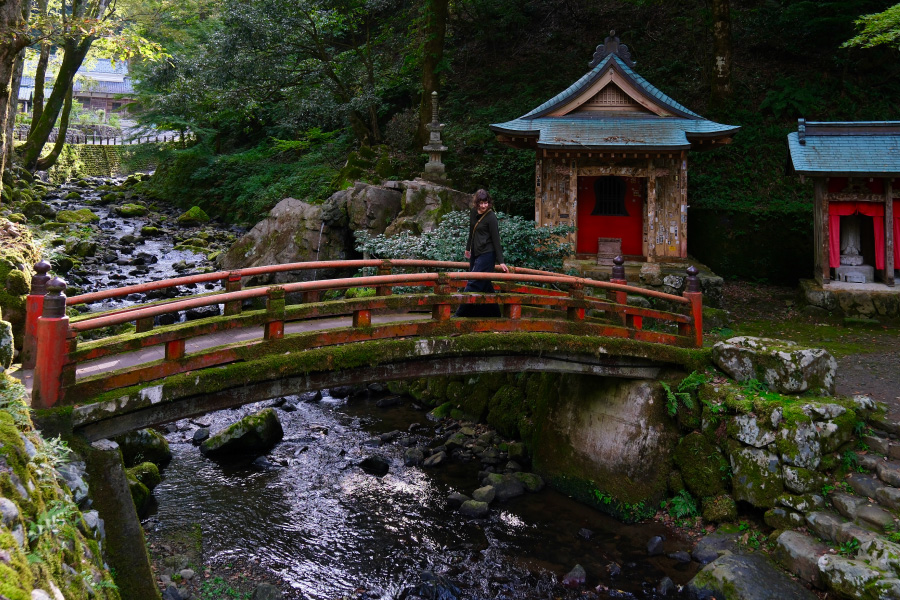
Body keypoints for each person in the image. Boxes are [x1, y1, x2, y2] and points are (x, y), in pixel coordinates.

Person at [455, 189, 508, 317]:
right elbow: (471, 231)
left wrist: (501, 261)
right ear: (476, 203)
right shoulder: (473, 212)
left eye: (486, 203)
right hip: (475, 252)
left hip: (488, 253)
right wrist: (468, 248)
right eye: (481, 203)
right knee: (485, 284)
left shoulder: (491, 217)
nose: (484, 206)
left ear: (489, 203)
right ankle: (494, 314)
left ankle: (460, 314)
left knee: (473, 282)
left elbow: (496, 240)